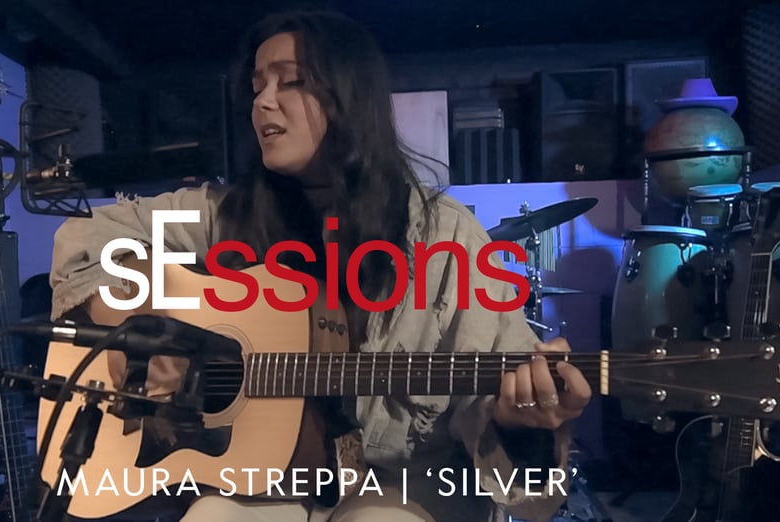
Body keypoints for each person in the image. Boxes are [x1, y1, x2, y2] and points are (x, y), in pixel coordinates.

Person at [49, 9, 591, 522]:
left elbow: (490, 402)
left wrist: (519, 420)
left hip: (403, 484)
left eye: (290, 81)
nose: (263, 102)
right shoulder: (224, 214)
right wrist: (142, 325)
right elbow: (86, 235)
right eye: (258, 85)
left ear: (347, 98)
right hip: (262, 477)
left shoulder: (446, 235)